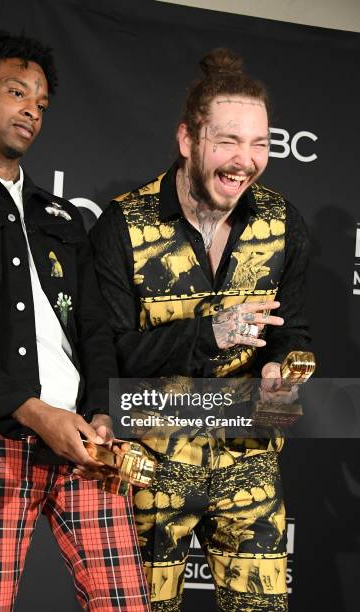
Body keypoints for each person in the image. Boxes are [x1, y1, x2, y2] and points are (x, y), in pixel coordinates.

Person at [0, 30, 150, 612]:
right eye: (16, 92)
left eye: (41, 103)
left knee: (126, 603)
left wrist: (99, 411)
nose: (31, 111)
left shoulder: (62, 215)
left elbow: (95, 325)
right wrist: (31, 410)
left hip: (83, 441)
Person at [89, 48, 310, 612]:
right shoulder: (123, 224)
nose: (247, 160)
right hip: (150, 473)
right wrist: (208, 333)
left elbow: (293, 329)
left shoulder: (283, 222)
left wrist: (282, 365)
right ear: (189, 140)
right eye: (230, 141)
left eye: (261, 143)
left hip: (251, 461)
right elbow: (111, 354)